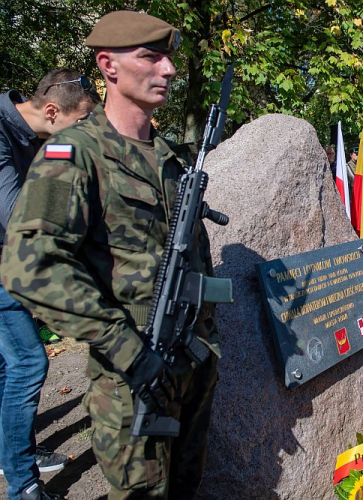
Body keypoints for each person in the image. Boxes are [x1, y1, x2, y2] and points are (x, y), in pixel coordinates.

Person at [1, 11, 220, 499]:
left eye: (168, 58)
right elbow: (30, 266)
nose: (167, 69)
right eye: (150, 56)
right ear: (108, 66)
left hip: (191, 363)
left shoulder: (172, 158)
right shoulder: (76, 154)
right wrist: (126, 347)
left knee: (189, 487)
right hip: (132, 374)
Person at [0, 69, 99, 500]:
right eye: (82, 124)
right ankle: (22, 486)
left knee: (8, 367)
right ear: (53, 111)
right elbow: (16, 219)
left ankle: (10, 453)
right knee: (27, 365)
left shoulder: (43, 137)